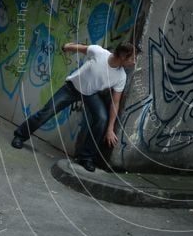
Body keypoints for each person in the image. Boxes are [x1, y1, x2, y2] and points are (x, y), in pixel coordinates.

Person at [11, 40, 138, 172]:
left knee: (102, 119)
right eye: (133, 58)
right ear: (123, 56)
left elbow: (115, 102)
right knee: (47, 112)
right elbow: (82, 48)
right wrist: (66, 46)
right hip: (72, 88)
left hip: (90, 94)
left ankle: (86, 158)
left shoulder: (121, 76)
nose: (134, 62)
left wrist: (110, 129)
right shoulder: (99, 52)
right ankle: (20, 136)